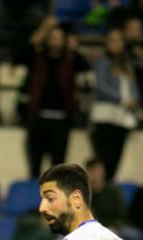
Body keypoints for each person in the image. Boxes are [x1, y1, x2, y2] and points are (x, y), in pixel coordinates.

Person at [24, 19, 85, 179]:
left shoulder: (70, 59)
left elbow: (85, 65)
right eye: (52, 37)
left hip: (61, 119)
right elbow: (20, 56)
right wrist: (35, 39)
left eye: (59, 38)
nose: (55, 41)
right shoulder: (38, 57)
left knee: (58, 167)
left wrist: (74, 49)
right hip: (38, 117)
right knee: (34, 163)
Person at [90, 28, 139, 182]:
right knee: (103, 157)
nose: (115, 44)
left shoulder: (127, 64)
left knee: (115, 158)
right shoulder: (102, 63)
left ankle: (108, 185)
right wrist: (122, 100)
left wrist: (134, 99)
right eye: (112, 40)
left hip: (122, 118)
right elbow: (101, 87)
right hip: (105, 116)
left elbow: (133, 87)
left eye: (119, 40)